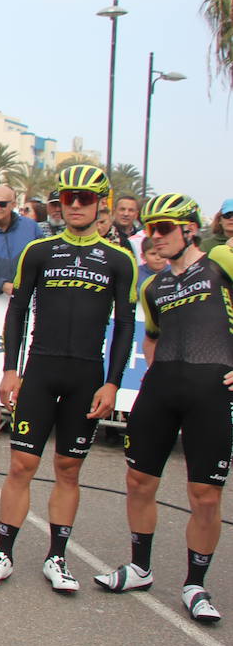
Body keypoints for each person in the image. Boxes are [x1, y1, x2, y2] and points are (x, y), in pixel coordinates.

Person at [0, 165, 136, 593]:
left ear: (101, 202)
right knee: (21, 464)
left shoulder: (120, 260)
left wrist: (113, 382)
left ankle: (57, 558)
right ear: (58, 204)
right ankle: (2, 553)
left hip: (86, 375)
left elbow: (124, 326)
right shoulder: (40, 251)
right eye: (68, 199)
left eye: (85, 198)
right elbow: (18, 311)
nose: (76, 205)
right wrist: (11, 369)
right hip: (40, 371)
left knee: (68, 467)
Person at [94, 193, 233, 623]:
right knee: (138, 480)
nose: (153, 237)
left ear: (189, 229)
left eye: (164, 228)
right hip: (162, 390)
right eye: (150, 229)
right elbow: (151, 336)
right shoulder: (153, 285)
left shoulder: (222, 261)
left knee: (204, 495)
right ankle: (139, 567)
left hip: (212, 390)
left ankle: (196, 584)